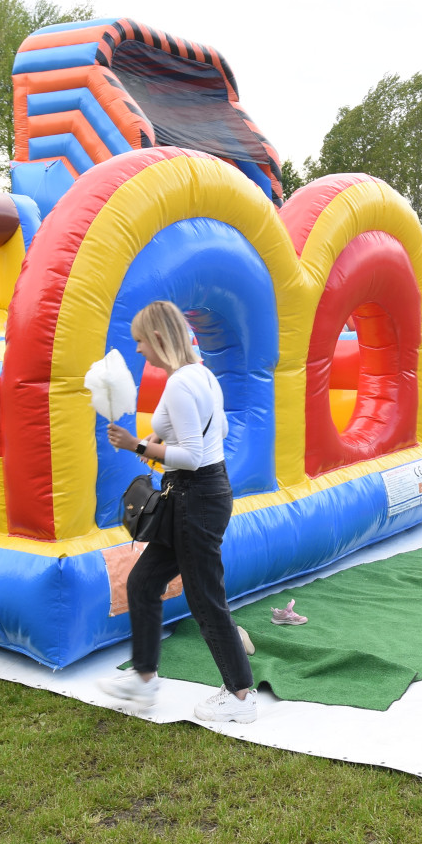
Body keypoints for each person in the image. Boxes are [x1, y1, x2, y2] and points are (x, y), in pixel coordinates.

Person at [98, 301, 256, 723]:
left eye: (140, 341)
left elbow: (193, 455)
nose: (138, 350)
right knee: (143, 582)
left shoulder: (180, 385)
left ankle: (240, 697)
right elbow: (217, 429)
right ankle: (143, 679)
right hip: (200, 494)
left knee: (205, 599)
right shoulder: (202, 375)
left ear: (159, 338)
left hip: (195, 497)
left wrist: (136, 445)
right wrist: (160, 441)